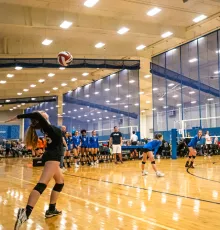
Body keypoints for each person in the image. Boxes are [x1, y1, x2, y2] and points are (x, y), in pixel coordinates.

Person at [5, 111, 64, 229]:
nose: (43, 112)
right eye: (42, 113)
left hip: (52, 155)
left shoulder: (47, 129)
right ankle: (25, 213)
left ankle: (51, 209)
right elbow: (36, 115)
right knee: (42, 184)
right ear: (42, 118)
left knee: (60, 182)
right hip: (53, 157)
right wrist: (17, 116)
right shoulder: (48, 128)